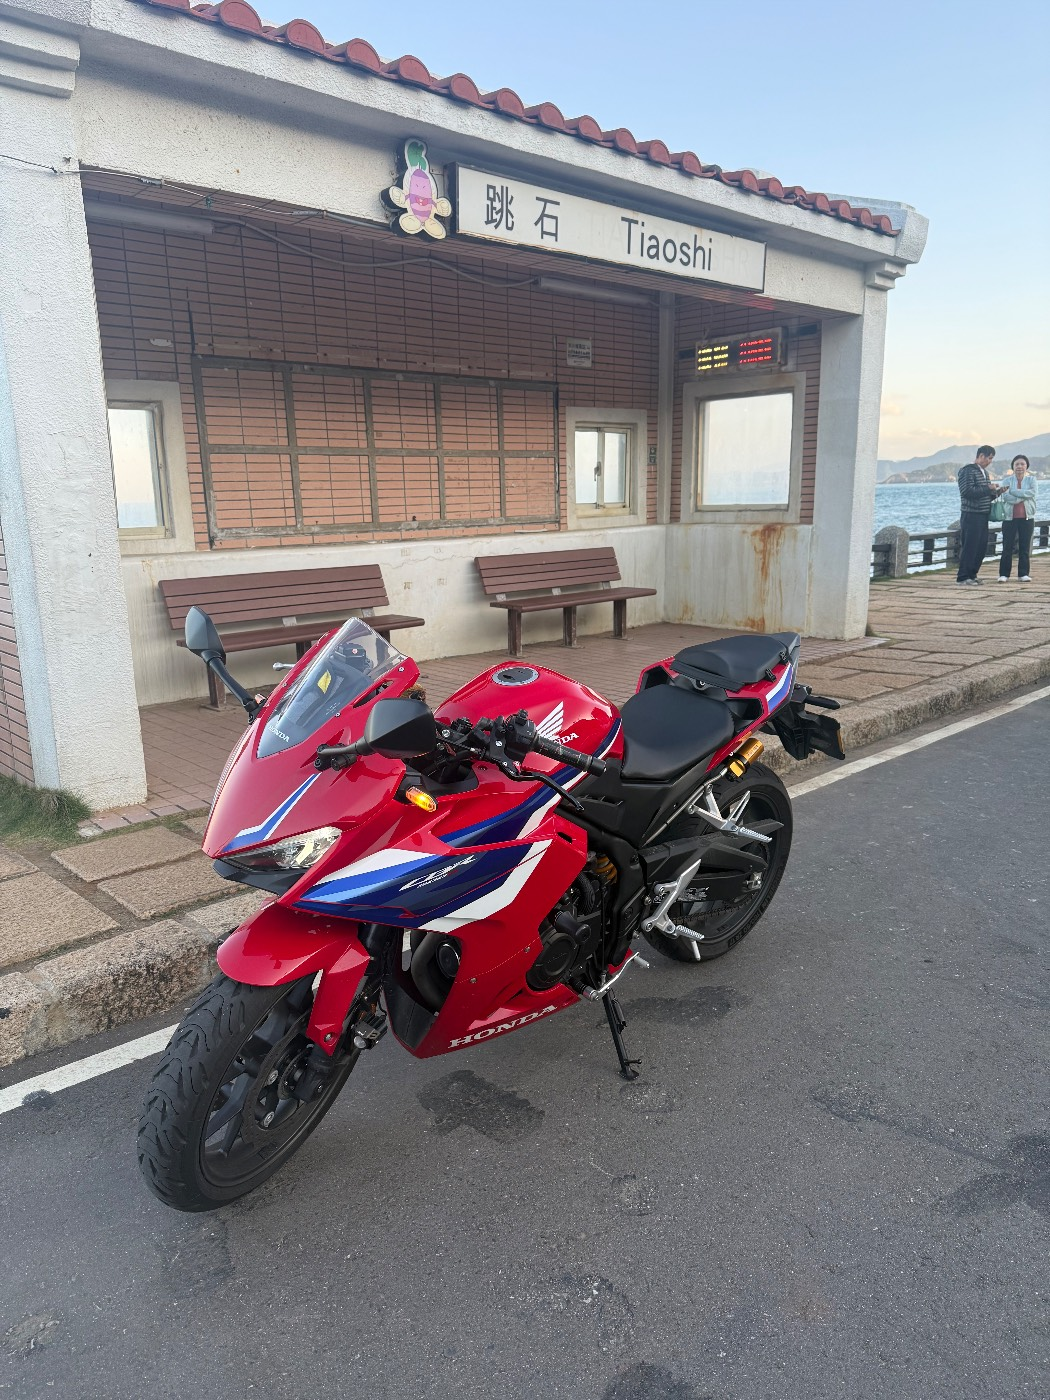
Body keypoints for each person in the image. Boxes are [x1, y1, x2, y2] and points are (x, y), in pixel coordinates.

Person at [956, 445, 1005, 585]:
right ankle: (963, 577)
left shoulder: (984, 473)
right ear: (981, 456)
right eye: (989, 458)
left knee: (981, 547)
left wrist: (997, 492)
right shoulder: (968, 470)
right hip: (971, 514)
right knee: (970, 546)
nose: (990, 461)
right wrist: (988, 488)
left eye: (992, 459)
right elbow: (967, 492)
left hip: (983, 514)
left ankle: (972, 575)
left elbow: (984, 495)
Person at [997, 454, 1037, 582]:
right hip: (1009, 518)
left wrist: (1013, 491)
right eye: (1017, 464)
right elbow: (1006, 497)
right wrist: (1023, 496)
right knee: (1007, 546)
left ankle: (1023, 574)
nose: (1019, 466)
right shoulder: (1006, 481)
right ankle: (1004, 574)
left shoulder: (1032, 480)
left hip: (1027, 518)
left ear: (1026, 466)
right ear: (1013, 467)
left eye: (1022, 464)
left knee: (1024, 547)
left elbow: (1032, 493)